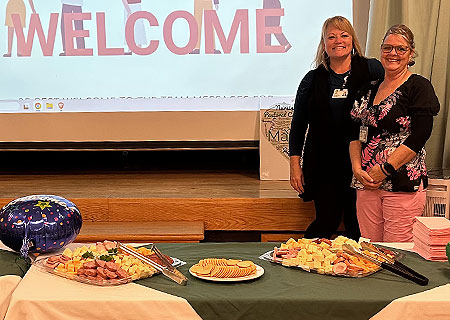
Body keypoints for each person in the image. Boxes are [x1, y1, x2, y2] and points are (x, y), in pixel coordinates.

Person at [289, 16, 384, 240]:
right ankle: (304, 262)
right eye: (331, 36)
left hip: (363, 162)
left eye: (344, 35)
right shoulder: (311, 80)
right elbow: (298, 124)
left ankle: (355, 269)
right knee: (326, 220)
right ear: (324, 43)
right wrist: (295, 164)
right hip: (322, 163)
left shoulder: (372, 70)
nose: (338, 40)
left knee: (357, 223)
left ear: (352, 40)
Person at [349, 24, 440, 242]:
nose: (393, 54)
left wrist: (387, 168)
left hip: (402, 184)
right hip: (367, 182)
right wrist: (356, 169)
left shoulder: (418, 86)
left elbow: (420, 136)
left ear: (411, 54)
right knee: (369, 251)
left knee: (398, 253)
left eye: (401, 49)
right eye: (388, 48)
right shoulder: (368, 89)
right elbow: (354, 134)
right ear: (380, 50)